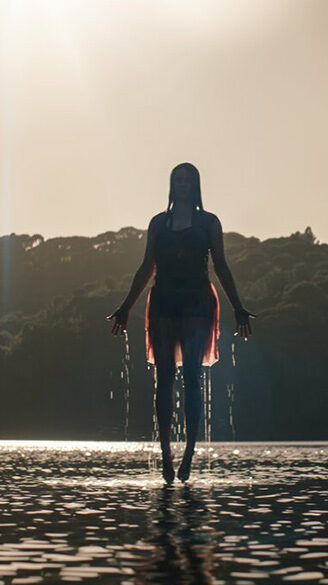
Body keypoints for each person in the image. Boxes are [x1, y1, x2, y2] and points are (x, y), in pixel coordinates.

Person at [107, 163, 255, 483]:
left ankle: (188, 454)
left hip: (198, 305)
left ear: (196, 185)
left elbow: (222, 267)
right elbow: (146, 267)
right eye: (178, 180)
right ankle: (166, 456)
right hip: (163, 304)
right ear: (171, 185)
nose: (183, 185)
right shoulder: (159, 223)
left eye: (188, 180)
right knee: (164, 381)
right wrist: (124, 306)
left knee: (191, 380)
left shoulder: (208, 223)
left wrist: (239, 307)